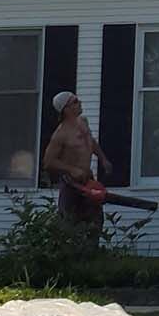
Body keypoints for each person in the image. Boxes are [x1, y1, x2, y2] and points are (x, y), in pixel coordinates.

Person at [42, 91, 112, 229]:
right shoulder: (60, 134)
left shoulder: (83, 121)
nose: (80, 103)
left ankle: (92, 249)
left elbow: (90, 141)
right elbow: (48, 161)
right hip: (71, 184)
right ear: (66, 109)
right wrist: (72, 169)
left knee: (95, 222)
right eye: (75, 101)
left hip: (88, 180)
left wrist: (103, 159)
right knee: (68, 224)